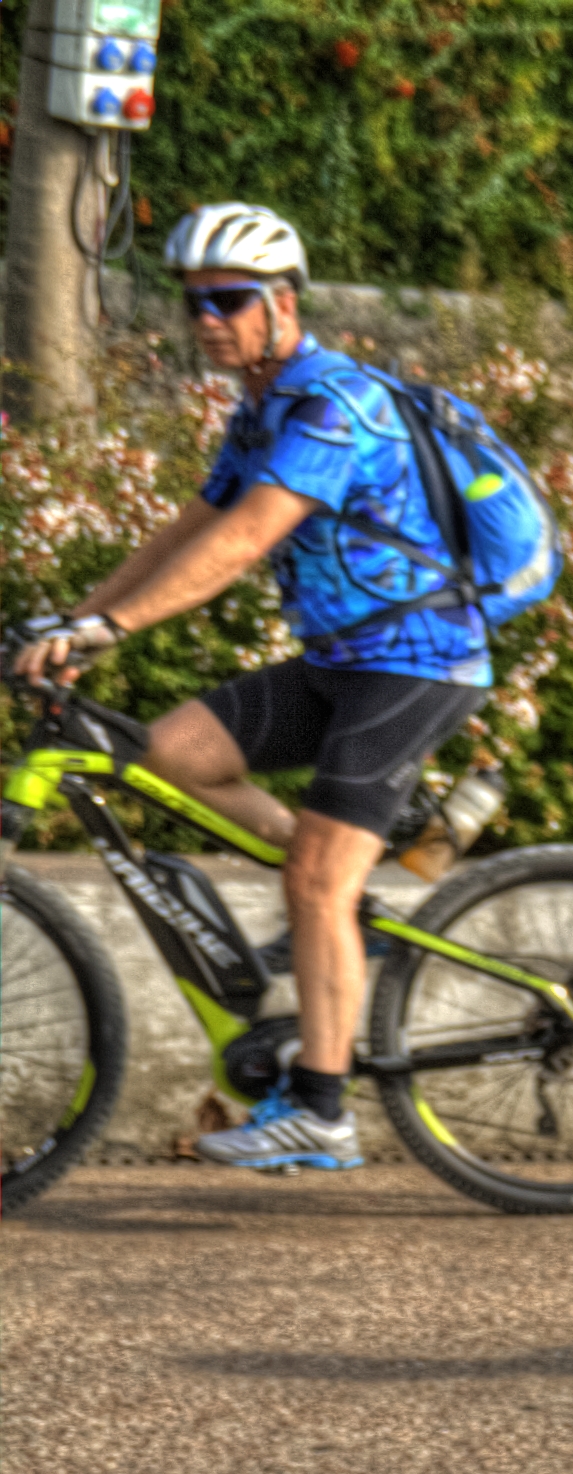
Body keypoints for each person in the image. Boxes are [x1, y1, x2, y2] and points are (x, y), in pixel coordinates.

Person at [7, 203, 501, 1173]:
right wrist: (74, 623)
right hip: (339, 662)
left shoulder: (332, 406)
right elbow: (189, 529)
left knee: (314, 874)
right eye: (195, 302)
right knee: (162, 755)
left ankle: (322, 1112)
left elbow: (242, 543)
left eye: (227, 300)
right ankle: (356, 903)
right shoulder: (259, 409)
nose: (207, 320)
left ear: (282, 303)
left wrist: (112, 627)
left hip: (417, 661)